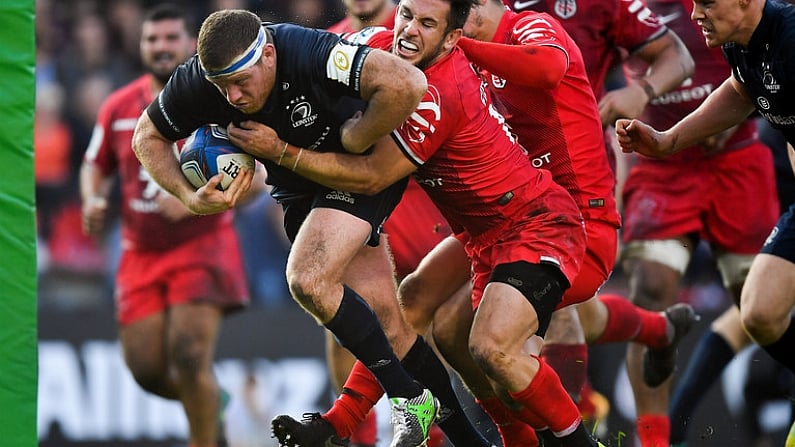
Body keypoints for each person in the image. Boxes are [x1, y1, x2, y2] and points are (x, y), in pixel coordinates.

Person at [231, 0, 604, 444]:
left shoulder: (437, 94)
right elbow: (315, 54)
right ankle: (345, 421)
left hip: (538, 223)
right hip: (483, 236)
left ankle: (584, 433)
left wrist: (281, 152)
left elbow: (371, 177)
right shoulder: (385, 48)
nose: (408, 31)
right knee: (424, 312)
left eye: (427, 24)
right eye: (406, 15)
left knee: (492, 347)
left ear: (452, 38)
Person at [131, 9, 490, 447]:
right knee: (388, 323)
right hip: (300, 188)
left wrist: (359, 136)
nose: (234, 95)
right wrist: (189, 197)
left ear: (267, 55)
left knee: (307, 277)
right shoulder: (203, 82)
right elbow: (145, 137)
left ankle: (407, 397)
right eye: (223, 86)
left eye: (242, 81)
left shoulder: (306, 51)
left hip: (354, 172)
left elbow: (407, 84)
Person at [79, 5, 250, 447]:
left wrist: (198, 204)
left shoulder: (218, 100)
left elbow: (260, 177)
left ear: (190, 43)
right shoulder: (118, 106)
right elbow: (93, 166)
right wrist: (92, 199)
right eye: (152, 39)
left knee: (190, 355)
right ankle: (213, 405)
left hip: (202, 244)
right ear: (140, 46)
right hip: (140, 252)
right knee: (147, 370)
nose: (161, 47)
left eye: (170, 38)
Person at [615, 0, 795, 401]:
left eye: (707, 3)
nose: (697, 14)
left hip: (739, 168)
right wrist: (670, 140)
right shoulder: (738, 42)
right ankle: (660, 436)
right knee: (757, 313)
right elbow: (741, 89)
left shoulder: (786, 36)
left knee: (755, 303)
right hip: (670, 172)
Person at [325, 1, 453, 445]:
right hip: (363, 207)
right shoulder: (334, 43)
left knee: (422, 334)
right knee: (346, 331)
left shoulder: (422, 33)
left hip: (426, 209)